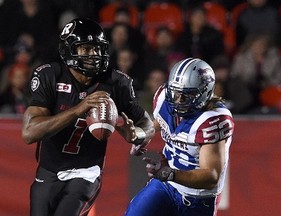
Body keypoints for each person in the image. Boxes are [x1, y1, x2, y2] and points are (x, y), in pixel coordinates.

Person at [21, 17, 155, 216]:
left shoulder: (116, 83)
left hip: (86, 172)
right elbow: (29, 133)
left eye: (96, 49)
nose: (93, 55)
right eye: (85, 49)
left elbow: (148, 124)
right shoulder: (50, 76)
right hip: (48, 171)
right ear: (69, 50)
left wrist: (135, 135)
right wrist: (77, 110)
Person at [125, 58, 235, 216]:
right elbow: (160, 121)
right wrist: (144, 135)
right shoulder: (164, 98)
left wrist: (170, 173)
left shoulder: (212, 120)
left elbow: (211, 176)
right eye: (176, 93)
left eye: (187, 95)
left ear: (204, 93)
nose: (178, 100)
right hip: (166, 185)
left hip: (198, 199)